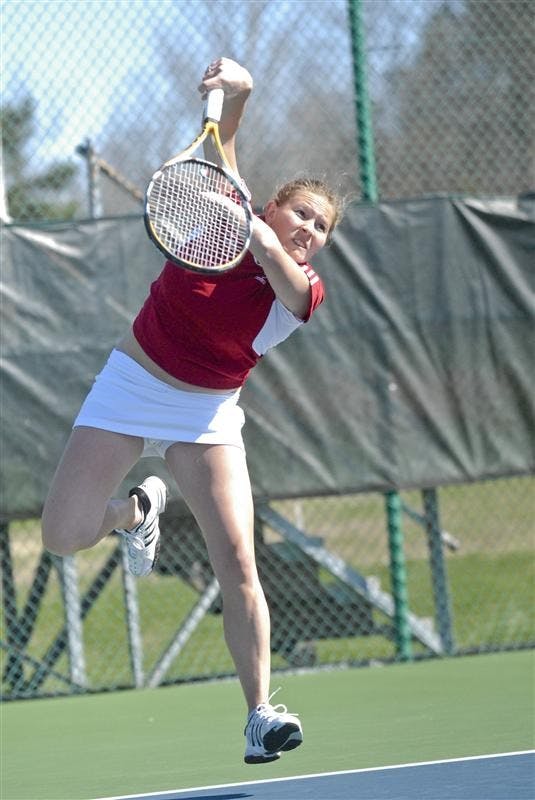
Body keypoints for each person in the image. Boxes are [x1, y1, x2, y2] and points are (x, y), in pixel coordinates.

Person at [41, 57, 344, 765]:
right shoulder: (221, 221)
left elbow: (280, 267)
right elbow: (225, 141)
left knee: (237, 559)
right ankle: (135, 514)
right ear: (270, 204)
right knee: (63, 534)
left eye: (322, 226)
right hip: (129, 384)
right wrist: (239, 90)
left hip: (207, 414)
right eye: (301, 212)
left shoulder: (301, 291)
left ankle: (260, 714)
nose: (311, 229)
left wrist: (256, 231)